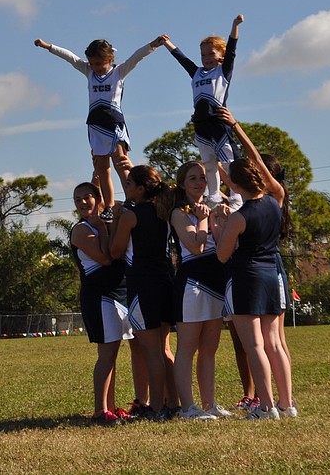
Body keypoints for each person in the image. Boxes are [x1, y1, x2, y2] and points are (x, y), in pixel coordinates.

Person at [35, 35, 167, 219]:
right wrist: (48, 46)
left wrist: (153, 45)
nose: (96, 67)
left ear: (110, 59)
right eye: (92, 63)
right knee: (101, 168)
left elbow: (137, 57)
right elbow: (70, 58)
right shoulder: (89, 72)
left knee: (121, 163)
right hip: (95, 126)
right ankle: (109, 206)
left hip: (114, 125)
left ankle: (132, 199)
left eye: (99, 64)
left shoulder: (119, 72)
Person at [217, 106, 295, 412]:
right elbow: (259, 163)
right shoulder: (276, 198)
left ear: (234, 188)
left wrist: (220, 225)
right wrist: (237, 127)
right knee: (275, 343)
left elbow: (223, 256)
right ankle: (287, 404)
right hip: (272, 275)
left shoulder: (239, 217)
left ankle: (266, 407)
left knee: (255, 346)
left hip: (247, 278)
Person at [110, 165, 178, 420]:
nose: (125, 188)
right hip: (166, 282)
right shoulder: (165, 211)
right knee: (164, 349)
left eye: (128, 184)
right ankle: (174, 402)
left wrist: (116, 218)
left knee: (151, 351)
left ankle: (157, 408)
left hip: (143, 284)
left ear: (140, 189)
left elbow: (115, 251)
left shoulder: (131, 215)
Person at [169, 161, 233, 420]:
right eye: (192, 178)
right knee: (187, 346)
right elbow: (195, 246)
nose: (198, 182)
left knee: (210, 348)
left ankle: (209, 404)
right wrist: (204, 219)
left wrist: (220, 218)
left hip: (214, 281)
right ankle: (187, 407)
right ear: (182, 184)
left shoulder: (210, 207)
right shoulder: (178, 213)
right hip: (192, 284)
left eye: (202, 178)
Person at [162, 15, 244, 209]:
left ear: (221, 56)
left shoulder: (223, 72)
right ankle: (214, 195)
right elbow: (182, 60)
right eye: (203, 55)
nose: (206, 58)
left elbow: (232, 49)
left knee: (228, 163)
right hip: (200, 125)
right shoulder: (196, 72)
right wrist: (167, 43)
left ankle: (236, 195)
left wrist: (234, 26)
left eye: (211, 54)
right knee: (209, 164)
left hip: (218, 123)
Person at [69, 182, 133, 425]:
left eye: (87, 197)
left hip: (118, 293)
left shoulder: (105, 221)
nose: (83, 203)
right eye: (78, 200)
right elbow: (106, 258)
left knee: (112, 355)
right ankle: (99, 410)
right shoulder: (80, 230)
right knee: (105, 355)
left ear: (98, 198)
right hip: (99, 295)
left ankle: (112, 406)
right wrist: (104, 230)